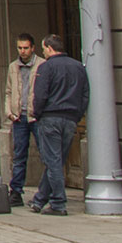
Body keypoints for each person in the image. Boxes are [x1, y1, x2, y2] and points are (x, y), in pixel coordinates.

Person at [30, 33, 89, 216]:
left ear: (49, 48)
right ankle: (40, 199)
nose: (43, 52)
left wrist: (37, 114)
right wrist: (77, 115)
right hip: (70, 119)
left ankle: (58, 203)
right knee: (56, 161)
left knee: (53, 161)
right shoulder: (78, 66)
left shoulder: (46, 67)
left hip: (51, 118)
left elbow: (40, 95)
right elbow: (85, 94)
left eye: (43, 48)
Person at [2, 33, 43, 207]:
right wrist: (9, 112)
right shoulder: (13, 66)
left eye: (26, 48)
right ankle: (16, 191)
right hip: (19, 117)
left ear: (33, 48)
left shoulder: (42, 65)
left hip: (37, 117)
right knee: (19, 156)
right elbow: (9, 91)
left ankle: (45, 191)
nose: (23, 51)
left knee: (45, 155)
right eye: (20, 48)